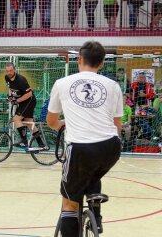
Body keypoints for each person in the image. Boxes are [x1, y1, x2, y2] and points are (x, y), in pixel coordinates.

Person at [46, 41, 122, 236]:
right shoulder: (113, 86)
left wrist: (62, 124)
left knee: (69, 202)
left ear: (79, 59)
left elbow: (51, 121)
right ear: (102, 63)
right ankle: (96, 214)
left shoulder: (62, 83)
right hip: (111, 147)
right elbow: (117, 126)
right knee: (94, 172)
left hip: (80, 148)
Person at [5, 63, 44, 150]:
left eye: (11, 70)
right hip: (23, 102)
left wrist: (16, 101)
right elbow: (10, 88)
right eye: (7, 71)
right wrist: (10, 97)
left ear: (14, 70)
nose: (9, 72)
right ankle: (41, 144)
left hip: (29, 100)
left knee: (16, 119)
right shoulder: (7, 77)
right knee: (29, 123)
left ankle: (24, 141)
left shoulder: (21, 80)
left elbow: (29, 94)